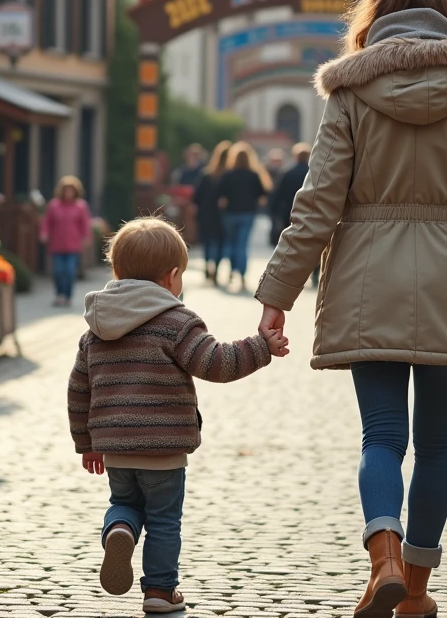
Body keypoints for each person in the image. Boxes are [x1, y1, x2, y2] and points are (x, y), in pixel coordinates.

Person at [254, 0, 447, 618]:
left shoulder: (349, 91)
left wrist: (275, 297)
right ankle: (417, 593)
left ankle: (383, 558)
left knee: (382, 437)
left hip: (366, 275)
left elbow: (316, 203)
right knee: (438, 442)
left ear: (376, 8)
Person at [69, 217, 288, 614]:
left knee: (125, 503)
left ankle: (118, 529)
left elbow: (78, 391)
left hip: (115, 449)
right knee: (165, 520)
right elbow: (217, 363)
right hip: (164, 449)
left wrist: (86, 444)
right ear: (171, 277)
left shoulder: (95, 330)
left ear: (117, 272)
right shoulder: (176, 322)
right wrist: (261, 347)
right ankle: (159, 592)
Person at [217, 142, 272, 292]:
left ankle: (230, 271)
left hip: (230, 213)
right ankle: (241, 274)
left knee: (230, 243)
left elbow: (220, 195)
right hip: (247, 213)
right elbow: (262, 195)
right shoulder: (254, 175)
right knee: (242, 244)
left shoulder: (228, 175)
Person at [40, 175, 92, 307]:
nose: (68, 193)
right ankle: (59, 294)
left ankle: (67, 296)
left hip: (73, 245)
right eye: (66, 190)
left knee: (69, 271)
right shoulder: (54, 205)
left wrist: (86, 238)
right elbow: (47, 222)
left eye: (71, 190)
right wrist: (44, 233)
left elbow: (85, 224)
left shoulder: (81, 206)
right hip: (57, 244)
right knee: (58, 271)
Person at [193, 141, 231, 283]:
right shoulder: (229, 176)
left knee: (208, 241)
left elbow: (197, 196)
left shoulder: (206, 174)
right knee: (221, 242)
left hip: (206, 212)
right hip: (223, 213)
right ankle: (216, 267)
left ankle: (207, 265)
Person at [270, 143, 311, 245]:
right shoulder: (312, 173)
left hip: (288, 210)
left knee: (289, 240)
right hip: (308, 210)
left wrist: (273, 211)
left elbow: (278, 194)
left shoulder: (286, 172)